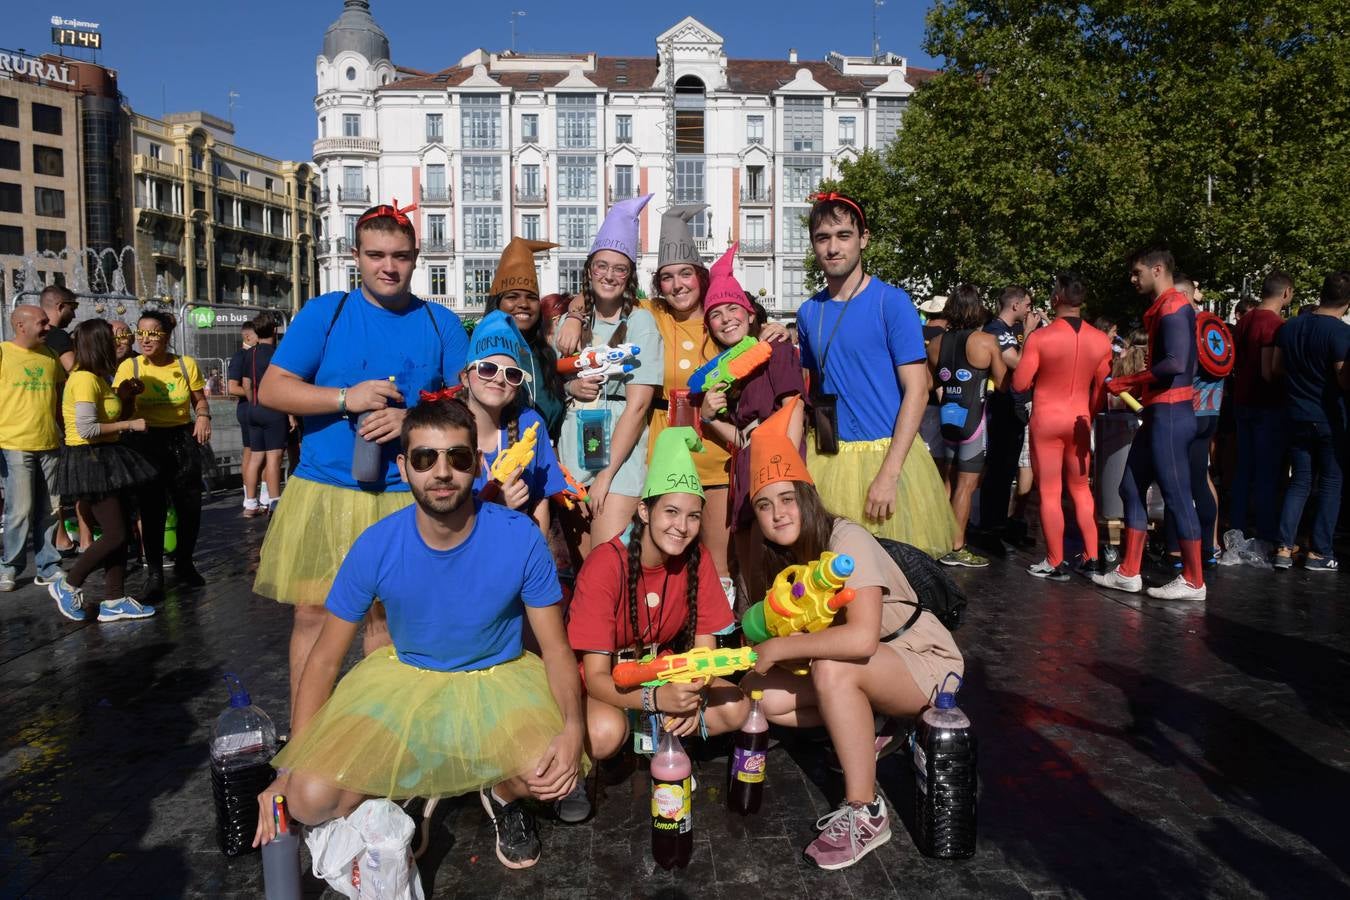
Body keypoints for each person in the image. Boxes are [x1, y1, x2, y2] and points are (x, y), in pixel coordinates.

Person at [253, 398, 584, 871]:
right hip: (408, 685)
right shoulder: (376, 544)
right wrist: (289, 766)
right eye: (426, 459)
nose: (443, 472)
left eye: (458, 458)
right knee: (307, 798)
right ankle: (415, 788)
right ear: (405, 467)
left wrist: (571, 728)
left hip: (499, 682)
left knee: (552, 774)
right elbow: (324, 660)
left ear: (478, 464)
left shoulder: (519, 534)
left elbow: (555, 648)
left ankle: (501, 792)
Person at [254, 201, 470, 718]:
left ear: (417, 257)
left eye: (399, 256)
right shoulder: (325, 313)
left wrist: (413, 420)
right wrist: (343, 398)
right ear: (356, 256)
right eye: (375, 255)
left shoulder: (441, 323)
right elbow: (272, 388)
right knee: (312, 616)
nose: (388, 267)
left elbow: (468, 405)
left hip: (403, 497)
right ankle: (305, 735)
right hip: (324, 492)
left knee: (385, 622)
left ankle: (382, 734)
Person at [740, 399, 964, 870]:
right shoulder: (779, 557)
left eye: (786, 499)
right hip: (870, 666)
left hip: (921, 660)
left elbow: (861, 640)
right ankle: (875, 726)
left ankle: (865, 809)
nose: (778, 513)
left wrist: (781, 646)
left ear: (807, 495)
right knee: (760, 693)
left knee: (832, 665)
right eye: (764, 505)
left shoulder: (845, 539)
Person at [567, 427, 750, 820]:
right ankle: (576, 772)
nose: (681, 527)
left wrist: (691, 694)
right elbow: (596, 675)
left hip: (662, 672)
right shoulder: (605, 564)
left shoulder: (696, 559)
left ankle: (664, 742)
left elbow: (704, 654)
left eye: (693, 516)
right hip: (606, 684)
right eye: (670, 512)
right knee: (603, 735)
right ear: (645, 511)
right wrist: (656, 700)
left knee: (737, 706)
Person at [795, 193, 954, 558]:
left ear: (863, 238)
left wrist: (889, 474)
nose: (833, 247)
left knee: (896, 584)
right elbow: (814, 389)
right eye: (823, 238)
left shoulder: (891, 302)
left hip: (887, 459)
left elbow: (918, 389)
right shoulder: (807, 312)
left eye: (843, 235)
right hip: (829, 460)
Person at [554, 194, 664, 550]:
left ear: (630, 275)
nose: (609, 275)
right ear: (589, 269)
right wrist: (570, 386)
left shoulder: (641, 323)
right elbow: (550, 385)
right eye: (601, 266)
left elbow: (637, 408)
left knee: (607, 567)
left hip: (617, 466)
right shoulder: (571, 321)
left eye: (619, 268)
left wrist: (605, 476)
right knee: (585, 571)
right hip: (573, 459)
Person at [1096, 247, 1206, 600]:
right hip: (1163, 412)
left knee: (1177, 496)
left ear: (1157, 269)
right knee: (1130, 486)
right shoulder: (1169, 307)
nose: (1133, 279)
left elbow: (1175, 362)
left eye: (1137, 272)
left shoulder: (1173, 307)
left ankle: (1194, 580)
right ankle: (1129, 571)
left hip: (1171, 414)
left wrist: (1128, 381)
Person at [694, 254, 806, 597]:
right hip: (745, 467)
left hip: (777, 465)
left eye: (732, 309)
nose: (726, 319)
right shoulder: (728, 371)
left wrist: (780, 472)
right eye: (715, 314)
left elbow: (794, 407)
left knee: (787, 557)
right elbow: (742, 439)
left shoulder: (776, 348)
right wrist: (709, 419)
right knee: (750, 562)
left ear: (750, 314)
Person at [46, 319, 157, 622]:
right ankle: (68, 584)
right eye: (114, 339)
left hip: (105, 458)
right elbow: (87, 428)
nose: (120, 343)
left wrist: (126, 398)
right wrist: (130, 424)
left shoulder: (99, 377)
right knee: (115, 533)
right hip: (91, 459)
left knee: (118, 530)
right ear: (98, 343)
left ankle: (114, 598)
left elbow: (108, 419)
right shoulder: (83, 379)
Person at [1013, 273, 1113, 580]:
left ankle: (1055, 561)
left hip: (1047, 419)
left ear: (1057, 298)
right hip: (1080, 419)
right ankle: (1092, 556)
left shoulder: (1041, 339)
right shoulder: (1100, 340)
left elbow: (1019, 383)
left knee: (1051, 491)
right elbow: (1101, 388)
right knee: (1082, 490)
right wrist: (1090, 413)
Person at [113, 310, 210, 599]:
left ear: (166, 336)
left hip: (181, 439)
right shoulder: (129, 367)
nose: (145, 339)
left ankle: (184, 562)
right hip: (145, 441)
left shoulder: (185, 364)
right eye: (140, 333)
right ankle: (154, 572)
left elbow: (199, 399)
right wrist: (127, 396)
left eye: (152, 333)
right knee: (151, 509)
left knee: (189, 506)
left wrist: (204, 416)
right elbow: (121, 413)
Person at [456, 310, 568, 532]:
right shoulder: (444, 428)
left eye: (512, 374)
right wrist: (497, 507)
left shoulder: (530, 424)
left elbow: (540, 503)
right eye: (487, 369)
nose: (499, 379)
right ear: (464, 378)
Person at [1271, 271, 1350, 571]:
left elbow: (1277, 368)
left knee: (1300, 482)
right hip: (1329, 417)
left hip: (1295, 413)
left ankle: (1283, 547)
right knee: (1330, 483)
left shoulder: (1291, 326)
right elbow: (1344, 380)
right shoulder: (1341, 334)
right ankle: (1319, 552)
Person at [925, 285, 1004, 568]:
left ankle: (937, 539)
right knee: (966, 486)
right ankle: (957, 547)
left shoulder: (936, 344)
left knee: (947, 481)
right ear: (976, 309)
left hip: (948, 418)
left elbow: (927, 385)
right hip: (973, 422)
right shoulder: (986, 341)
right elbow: (1004, 381)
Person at [0, 306, 67, 592]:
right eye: (41, 323)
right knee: (20, 510)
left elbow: (59, 400)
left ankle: (48, 566)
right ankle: (9, 566)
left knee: (51, 509)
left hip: (49, 443)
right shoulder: (3, 353)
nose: (48, 328)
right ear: (20, 326)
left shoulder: (51, 357)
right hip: (14, 443)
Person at [1228, 272, 1291, 551]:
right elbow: (1268, 372)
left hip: (1242, 401)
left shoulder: (1245, 321)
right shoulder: (1274, 325)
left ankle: (1237, 528)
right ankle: (1265, 534)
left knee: (1243, 469)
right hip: (1266, 405)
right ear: (1286, 293)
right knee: (1266, 472)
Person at [1163, 275, 1222, 569]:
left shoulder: (1182, 324)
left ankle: (1176, 551)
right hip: (1212, 412)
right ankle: (1209, 549)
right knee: (1199, 482)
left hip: (1186, 411)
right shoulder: (1216, 327)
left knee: (1177, 483)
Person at [980, 286, 1045, 544]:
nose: (1030, 309)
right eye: (1028, 304)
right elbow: (1017, 362)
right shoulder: (996, 331)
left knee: (1008, 469)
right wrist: (1029, 332)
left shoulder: (1012, 331)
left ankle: (998, 522)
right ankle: (990, 524)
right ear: (1015, 305)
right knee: (999, 467)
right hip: (1003, 405)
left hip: (1016, 405)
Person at [490, 237, 570, 441]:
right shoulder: (485, 355)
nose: (523, 304)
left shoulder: (546, 355)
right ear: (497, 304)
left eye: (531, 297)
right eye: (512, 296)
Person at [240, 314, 288, 516]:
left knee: (255, 458)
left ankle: (250, 504)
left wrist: (253, 401)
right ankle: (275, 503)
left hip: (253, 409)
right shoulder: (277, 354)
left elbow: (246, 384)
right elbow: (285, 387)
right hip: (272, 411)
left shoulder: (249, 354)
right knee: (274, 458)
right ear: (275, 331)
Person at [227, 321, 259, 514]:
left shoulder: (254, 355)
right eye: (258, 335)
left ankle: (256, 495)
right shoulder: (241, 356)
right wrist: (256, 394)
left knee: (259, 452)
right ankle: (249, 496)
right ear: (247, 337)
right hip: (248, 409)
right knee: (250, 452)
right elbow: (232, 387)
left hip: (252, 407)